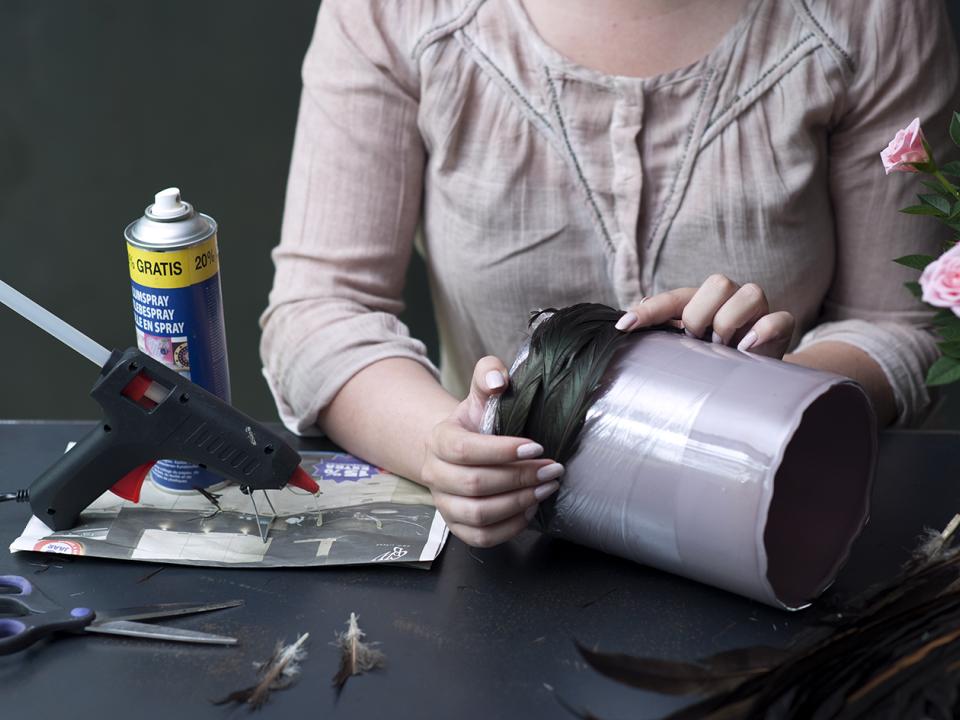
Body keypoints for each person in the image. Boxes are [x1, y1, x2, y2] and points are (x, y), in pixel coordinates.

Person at [260, 0, 960, 547]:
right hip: (496, 552)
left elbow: (902, 323)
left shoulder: (871, 16)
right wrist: (446, 447)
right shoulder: (395, 14)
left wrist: (779, 395)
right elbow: (321, 310)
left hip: (774, 525)